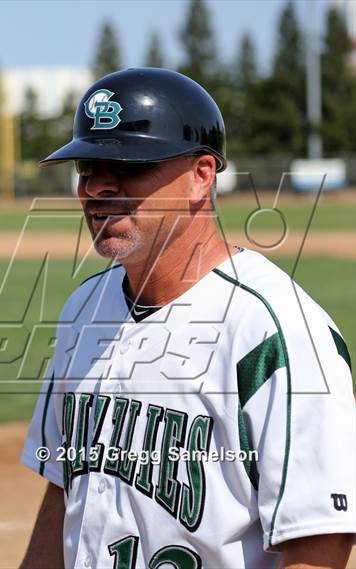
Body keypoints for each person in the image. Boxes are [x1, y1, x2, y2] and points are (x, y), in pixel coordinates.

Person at [20, 68, 354, 569]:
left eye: (127, 167)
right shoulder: (83, 309)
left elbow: (319, 544)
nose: (97, 188)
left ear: (202, 175)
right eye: (88, 167)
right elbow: (63, 490)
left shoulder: (271, 329)